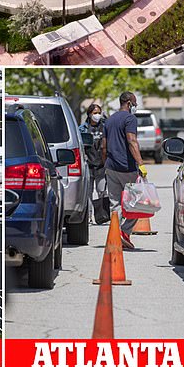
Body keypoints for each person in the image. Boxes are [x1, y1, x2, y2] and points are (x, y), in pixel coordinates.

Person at [102, 91, 147, 250]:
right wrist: (140, 163)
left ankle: (115, 235)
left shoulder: (110, 120)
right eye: (134, 103)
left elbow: (104, 146)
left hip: (111, 167)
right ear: (128, 103)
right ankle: (124, 232)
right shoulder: (130, 118)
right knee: (136, 204)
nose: (135, 106)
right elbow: (132, 141)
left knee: (115, 205)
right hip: (127, 168)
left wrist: (105, 165)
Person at [79, 103, 107, 222]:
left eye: (99, 113)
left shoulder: (105, 126)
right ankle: (89, 217)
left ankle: (102, 216)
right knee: (88, 193)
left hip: (101, 165)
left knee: (102, 191)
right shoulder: (83, 128)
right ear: (89, 114)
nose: (97, 115)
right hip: (88, 165)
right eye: (95, 113)